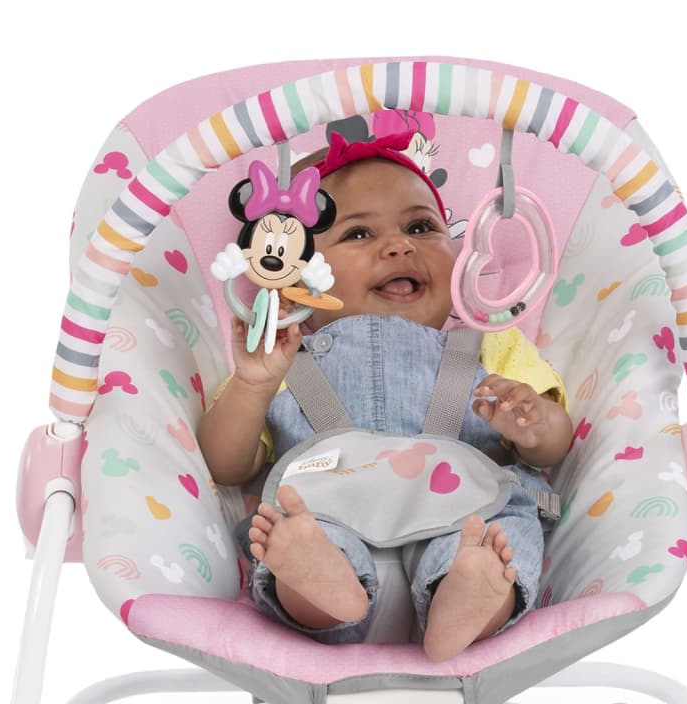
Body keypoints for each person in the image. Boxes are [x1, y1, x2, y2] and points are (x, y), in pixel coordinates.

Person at [197, 132, 573, 661]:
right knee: (292, 528)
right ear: (295, 274)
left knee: (504, 530)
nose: (399, 246)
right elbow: (226, 465)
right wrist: (253, 385)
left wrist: (535, 424)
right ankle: (320, 586)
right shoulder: (278, 354)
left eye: (420, 227)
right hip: (331, 515)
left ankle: (470, 592)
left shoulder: (491, 343)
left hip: (463, 514)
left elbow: (553, 447)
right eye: (358, 233)